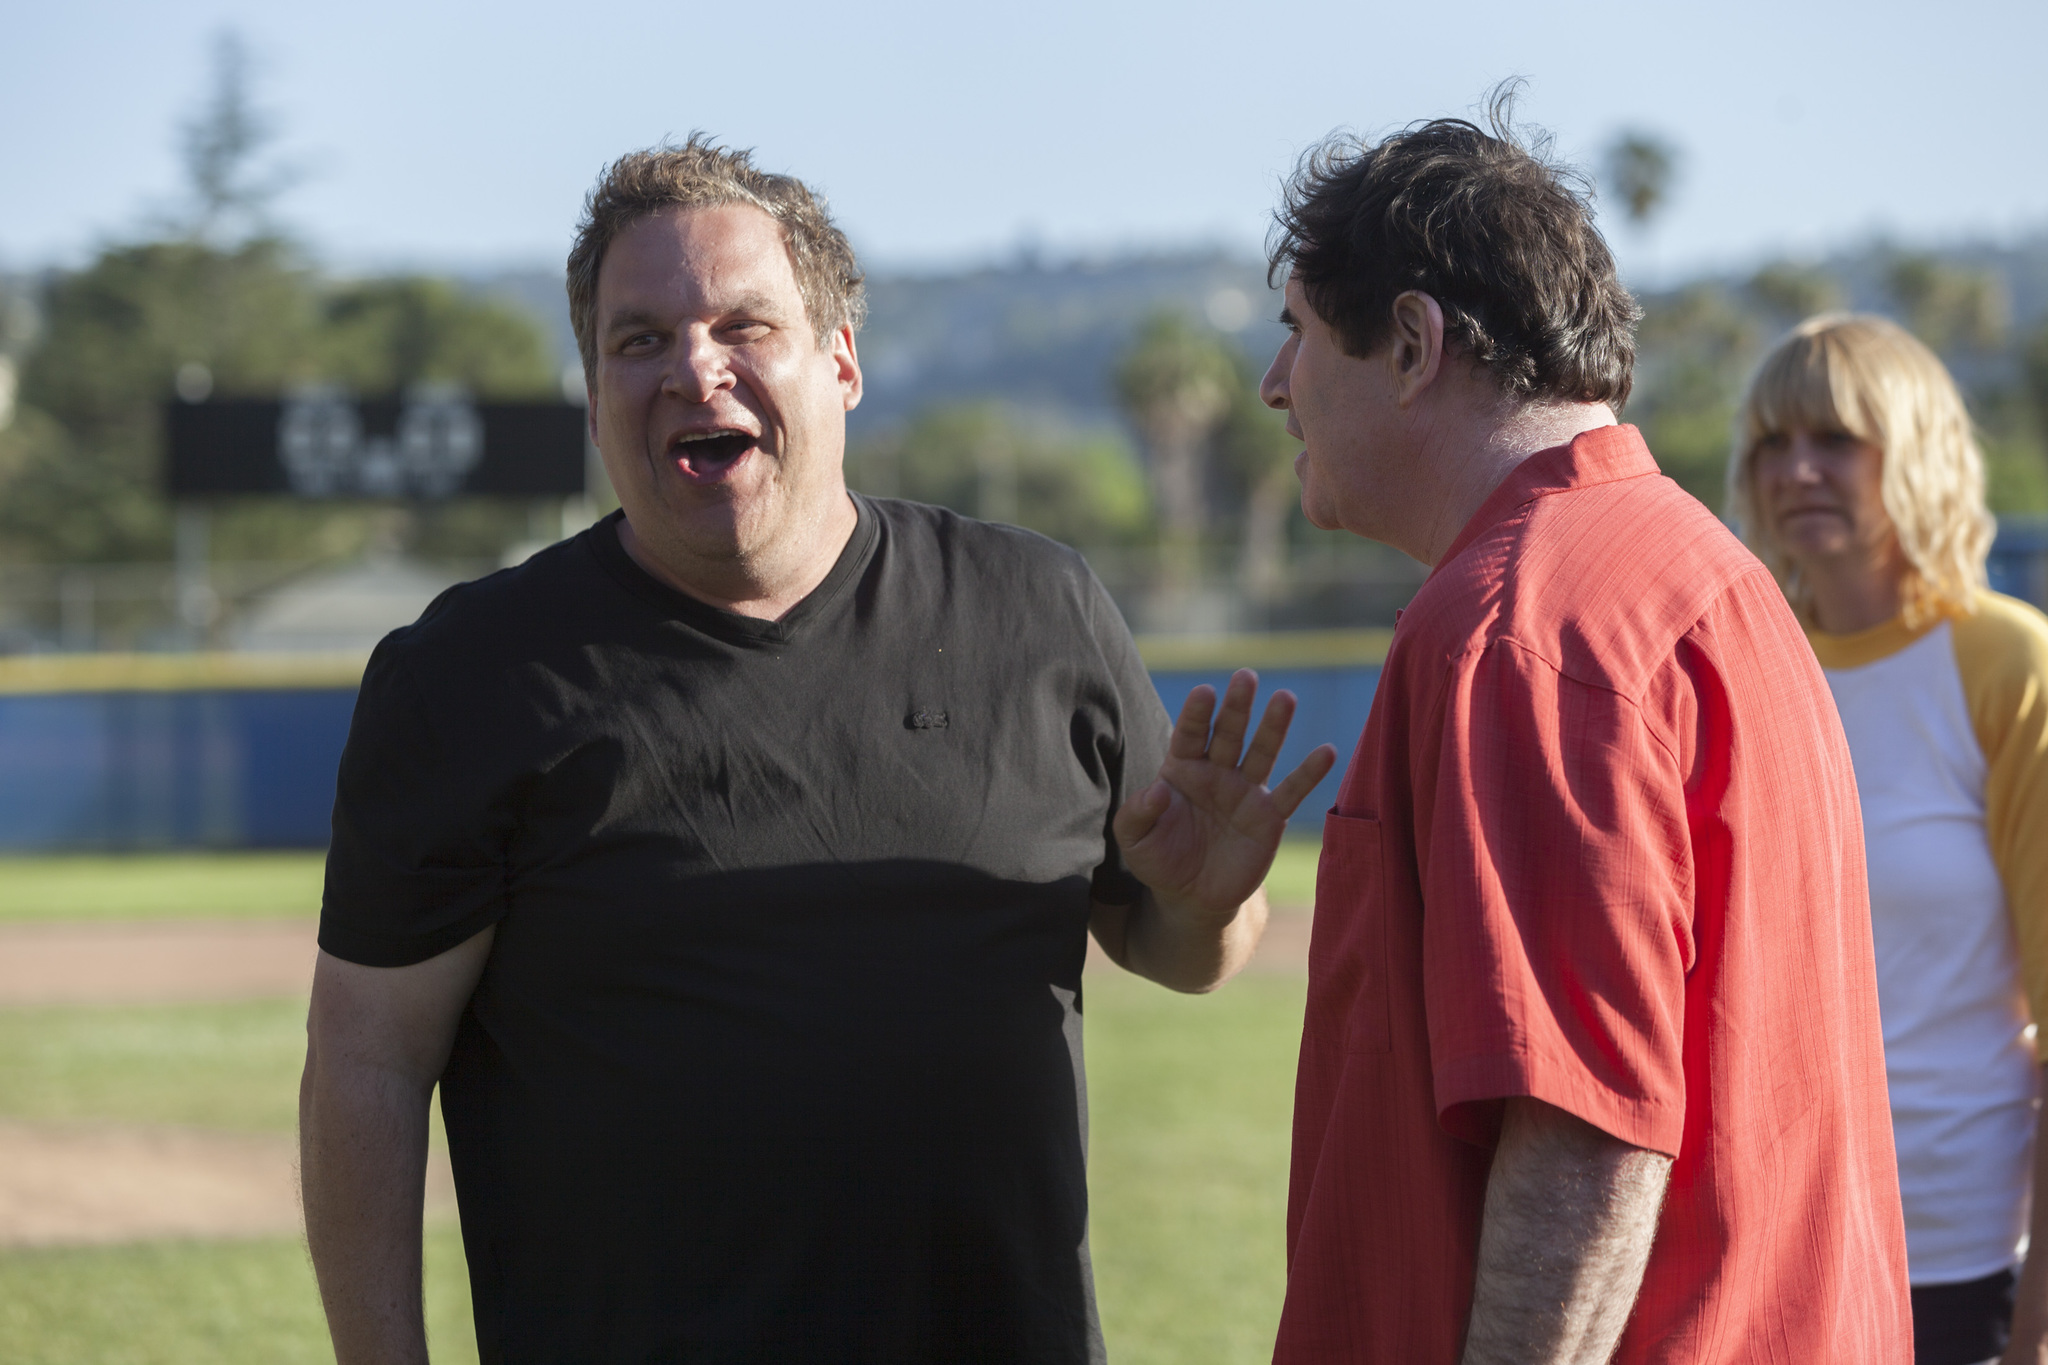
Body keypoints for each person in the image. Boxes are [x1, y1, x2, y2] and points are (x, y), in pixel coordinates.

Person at [296, 138, 1334, 1365]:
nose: (694, 367)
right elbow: (368, 1059)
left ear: (839, 361)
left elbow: (1180, 950)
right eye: (639, 340)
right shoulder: (467, 675)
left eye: (745, 325)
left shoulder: (1035, 612)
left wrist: (1206, 907)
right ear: (590, 397)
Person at [1257, 102, 1911, 1363]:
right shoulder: (1697, 567)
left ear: (1408, 344)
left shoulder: (1519, 622)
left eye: (1293, 333)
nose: (1274, 383)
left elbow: (1586, 1133)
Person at [1729, 312, 2048, 1365]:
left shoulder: (2005, 664)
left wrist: (2035, 1331)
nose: (1797, 470)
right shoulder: (1743, 668)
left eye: (1834, 439)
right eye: (1771, 443)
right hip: (1775, 1251)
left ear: (1912, 448)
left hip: (1960, 1264)